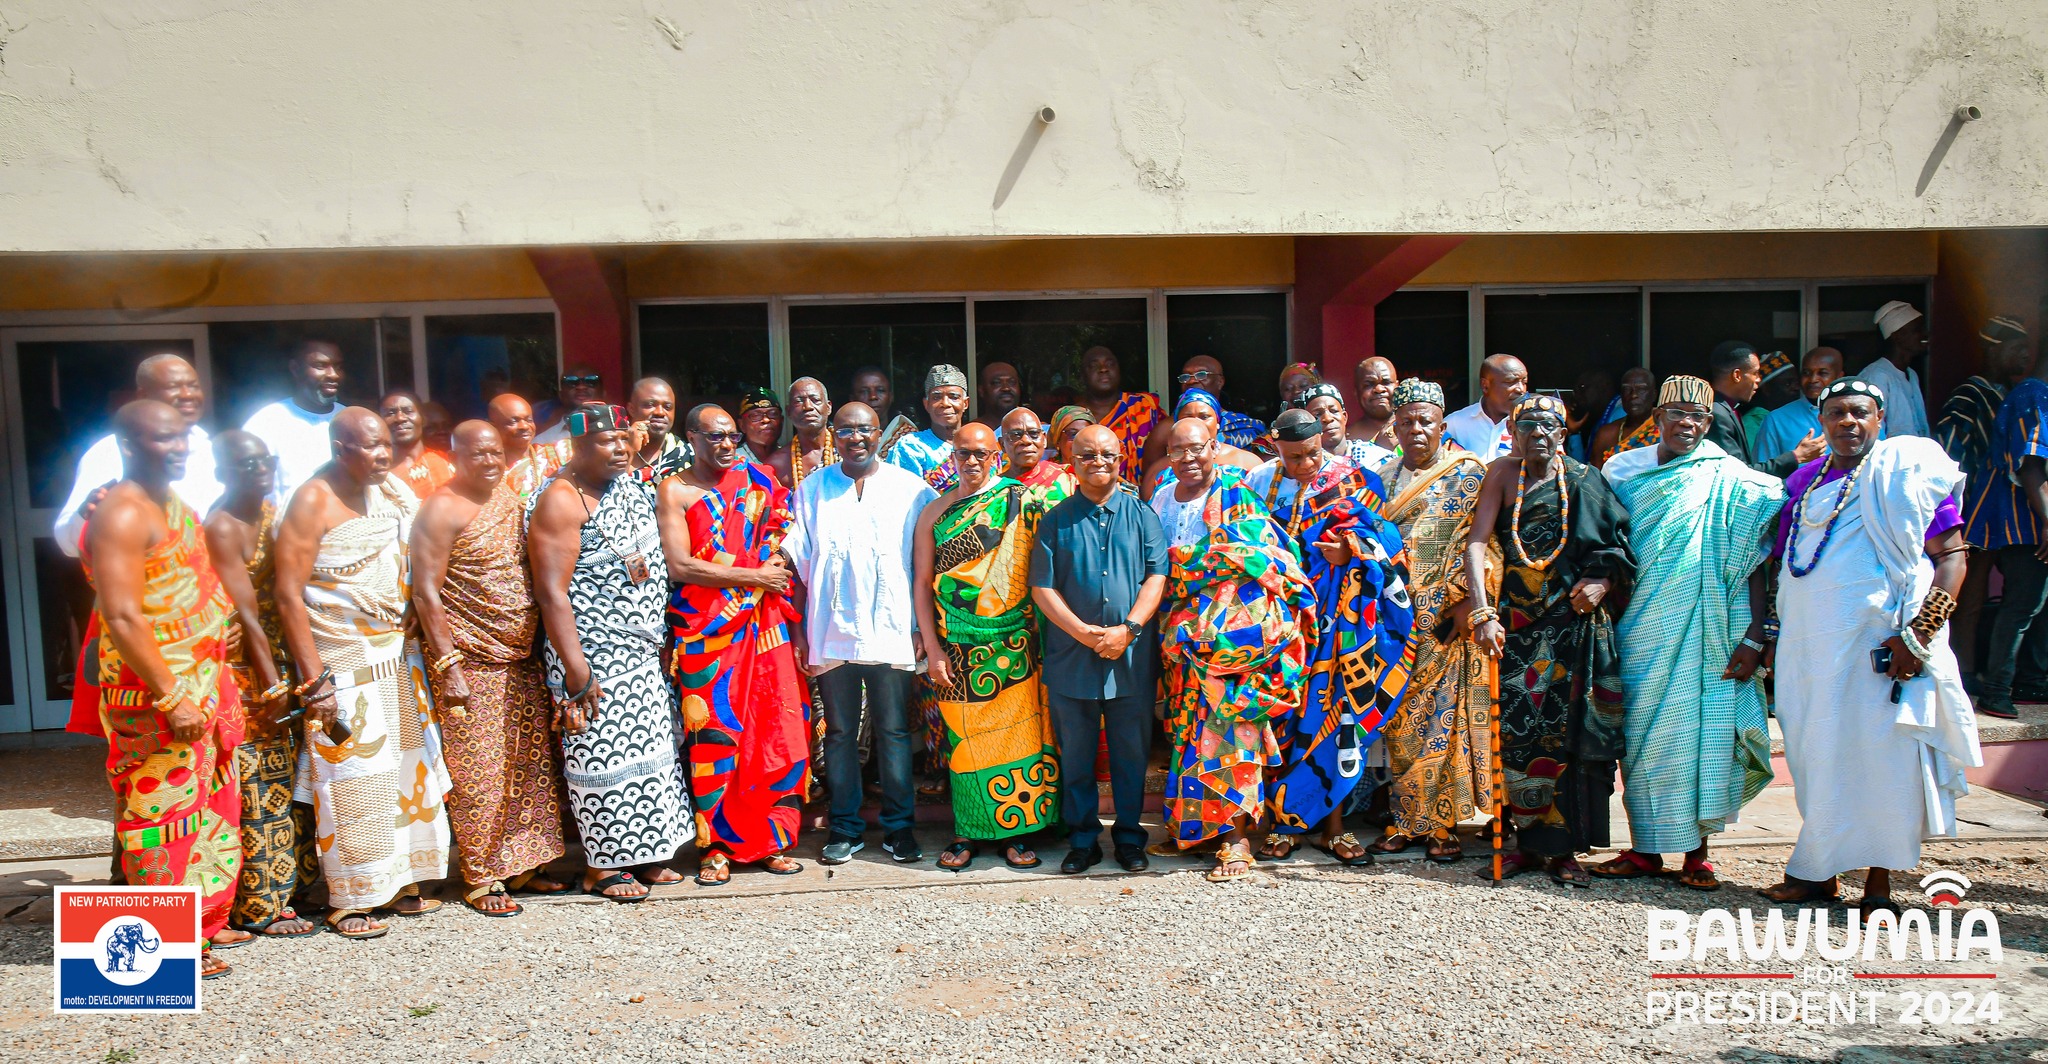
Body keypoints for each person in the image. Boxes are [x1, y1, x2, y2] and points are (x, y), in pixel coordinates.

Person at [1763, 379, 1980, 914]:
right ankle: (1818, 874)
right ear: (1822, 420)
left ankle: (1878, 887)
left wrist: (1919, 634)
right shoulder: (1803, 482)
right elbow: (1784, 561)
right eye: (1836, 413)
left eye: (1859, 413)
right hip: (1808, 650)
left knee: (1881, 761)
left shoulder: (1902, 476)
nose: (1848, 423)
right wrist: (1765, 635)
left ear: (1880, 419)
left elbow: (1952, 557)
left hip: (1882, 650)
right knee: (1817, 757)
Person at [1593, 377, 1783, 890]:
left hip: (1711, 630)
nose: (1687, 424)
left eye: (1697, 417)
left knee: (1703, 734)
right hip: (1640, 627)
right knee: (1642, 740)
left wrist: (1754, 639)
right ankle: (1645, 849)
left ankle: (1697, 853)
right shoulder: (1623, 470)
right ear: (1657, 418)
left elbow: (1756, 565)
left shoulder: (1734, 479)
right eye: (1675, 413)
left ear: (1710, 423)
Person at [78, 401, 248, 977]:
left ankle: (199, 926)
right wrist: (171, 695)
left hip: (201, 681)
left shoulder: (171, 502)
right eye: (162, 440)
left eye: (182, 440)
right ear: (128, 444)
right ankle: (163, 951)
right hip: (157, 692)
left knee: (209, 809)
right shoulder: (123, 514)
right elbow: (123, 616)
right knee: (160, 814)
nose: (178, 449)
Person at [272, 408, 451, 939]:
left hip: (395, 655)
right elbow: (287, 593)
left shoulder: (390, 491)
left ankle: (401, 882)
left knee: (403, 773)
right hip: (341, 659)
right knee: (351, 780)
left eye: (384, 445)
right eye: (368, 446)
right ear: (338, 447)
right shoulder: (312, 500)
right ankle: (351, 898)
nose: (382, 454)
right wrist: (315, 681)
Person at [1462, 394, 1632, 887]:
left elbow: (1615, 547)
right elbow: (1477, 541)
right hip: (1515, 627)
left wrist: (1601, 582)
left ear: (1562, 435)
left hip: (1571, 628)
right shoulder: (1501, 474)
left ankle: (1566, 851)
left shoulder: (1585, 479)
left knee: (1568, 738)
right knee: (1516, 733)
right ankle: (1526, 844)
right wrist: (1483, 612)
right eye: (1527, 428)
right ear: (1512, 434)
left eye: (1547, 428)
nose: (1537, 436)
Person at [528, 403, 694, 901]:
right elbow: (552, 593)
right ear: (576, 446)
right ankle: (604, 866)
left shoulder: (623, 485)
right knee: (602, 760)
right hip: (594, 653)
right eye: (607, 442)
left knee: (649, 753)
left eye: (625, 439)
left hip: (640, 650)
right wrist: (577, 672)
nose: (621, 449)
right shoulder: (562, 500)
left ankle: (645, 855)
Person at [411, 420, 569, 915]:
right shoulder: (441, 508)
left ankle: (523, 865)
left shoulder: (506, 495)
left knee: (527, 767)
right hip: (471, 661)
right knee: (479, 774)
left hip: (519, 659)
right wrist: (449, 664)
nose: (489, 462)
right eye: (477, 454)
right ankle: (481, 875)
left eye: (496, 452)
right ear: (455, 455)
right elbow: (425, 592)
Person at [1151, 418, 1316, 883]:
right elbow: (1156, 564)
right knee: (1188, 732)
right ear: (1168, 457)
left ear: (1214, 447)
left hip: (1234, 638)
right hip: (1183, 636)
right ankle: (1199, 830)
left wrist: (1191, 570)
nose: (1188, 458)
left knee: (1234, 732)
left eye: (1197, 448)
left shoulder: (1236, 492)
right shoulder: (1161, 499)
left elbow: (1259, 556)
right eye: (1177, 451)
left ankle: (1236, 840)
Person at [1249, 410, 1412, 866]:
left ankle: (1336, 829)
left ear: (1323, 439)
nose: (1305, 464)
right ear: (1275, 446)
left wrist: (1353, 551)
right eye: (1294, 456)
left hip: (1342, 625)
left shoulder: (1357, 480)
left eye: (1313, 453)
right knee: (1282, 719)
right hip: (1281, 622)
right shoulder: (1260, 483)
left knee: (1335, 718)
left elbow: (1389, 541)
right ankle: (1284, 823)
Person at [659, 404, 810, 884]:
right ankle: (717, 847)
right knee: (716, 739)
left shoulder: (759, 479)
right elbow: (680, 565)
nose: (726, 445)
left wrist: (769, 572)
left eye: (730, 437)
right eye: (715, 437)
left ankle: (772, 840)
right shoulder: (676, 490)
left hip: (765, 628)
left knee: (773, 730)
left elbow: (783, 535)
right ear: (691, 438)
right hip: (708, 634)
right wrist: (753, 576)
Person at [784, 402, 937, 865]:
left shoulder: (912, 490)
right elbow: (799, 563)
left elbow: (923, 567)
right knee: (841, 732)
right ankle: (845, 828)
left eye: (865, 429)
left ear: (878, 434)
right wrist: (802, 633)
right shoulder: (812, 488)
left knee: (892, 731)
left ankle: (899, 828)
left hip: (891, 628)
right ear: (835, 432)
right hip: (831, 631)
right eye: (846, 429)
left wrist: (918, 629)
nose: (856, 437)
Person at [912, 423, 1062, 871]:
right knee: (966, 743)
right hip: (957, 644)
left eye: (981, 453)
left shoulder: (1023, 501)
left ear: (997, 455)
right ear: (952, 458)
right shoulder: (935, 513)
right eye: (963, 454)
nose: (972, 462)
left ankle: (1019, 831)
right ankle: (968, 830)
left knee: (1020, 740)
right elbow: (922, 583)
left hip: (1016, 641)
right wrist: (934, 650)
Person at [1030, 424, 1168, 874]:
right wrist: (1085, 633)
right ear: (1074, 461)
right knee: (1077, 758)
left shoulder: (1142, 514)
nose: (1098, 463)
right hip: (1072, 660)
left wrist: (1128, 629)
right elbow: (1042, 589)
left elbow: (1156, 576)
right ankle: (1083, 840)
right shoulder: (1055, 520)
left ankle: (1129, 838)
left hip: (1130, 659)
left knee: (1131, 756)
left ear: (1120, 457)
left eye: (1106, 454)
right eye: (1087, 455)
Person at [1368, 380, 1495, 862]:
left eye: (1425, 421)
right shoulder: (1379, 478)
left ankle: (1442, 824)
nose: (1416, 429)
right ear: (1393, 427)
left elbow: (1489, 544)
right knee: (1401, 720)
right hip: (1394, 622)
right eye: (1406, 422)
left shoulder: (1470, 474)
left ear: (1443, 425)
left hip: (1446, 620)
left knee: (1445, 720)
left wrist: (1469, 601)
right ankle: (1407, 820)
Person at [204, 431, 316, 939]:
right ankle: (260, 905)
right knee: (256, 783)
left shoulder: (273, 510)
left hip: (282, 655)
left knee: (293, 775)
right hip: (246, 668)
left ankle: (298, 886)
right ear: (223, 471)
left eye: (264, 460)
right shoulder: (221, 525)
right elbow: (245, 613)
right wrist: (272, 689)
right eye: (246, 464)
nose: (259, 469)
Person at [55, 353, 224, 558]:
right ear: (143, 395)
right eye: (174, 387)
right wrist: (85, 517)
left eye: (194, 386)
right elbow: (67, 543)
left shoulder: (213, 450)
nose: (188, 394)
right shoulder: (110, 451)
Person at [1941, 317, 2033, 685]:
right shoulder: (1970, 394)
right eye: (2016, 347)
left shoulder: (2008, 393)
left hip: (2003, 513)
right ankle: (1963, 673)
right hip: (1975, 512)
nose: (2025, 354)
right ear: (1994, 349)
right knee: (1969, 595)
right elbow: (1950, 452)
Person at [1962, 338, 2048, 720]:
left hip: (2035, 520)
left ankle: (2031, 680)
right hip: (2022, 521)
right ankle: (1996, 691)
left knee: (2037, 604)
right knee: (2022, 604)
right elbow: (2030, 466)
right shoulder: (2034, 394)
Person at [242, 338, 344, 502]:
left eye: (338, 366)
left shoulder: (351, 420)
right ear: (296, 369)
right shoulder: (266, 423)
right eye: (320, 366)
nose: (334, 375)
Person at [1141, 389, 1260, 497]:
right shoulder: (1159, 471)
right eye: (1188, 417)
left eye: (1204, 417)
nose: (1197, 422)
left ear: (1218, 423)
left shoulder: (1246, 462)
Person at [1079, 346, 1166, 483]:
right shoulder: (1073, 419)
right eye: (1094, 365)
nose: (1103, 369)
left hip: (1138, 498)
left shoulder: (1144, 408)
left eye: (1110, 364)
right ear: (1082, 375)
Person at [1752, 348, 1844, 476]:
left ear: (1839, 377)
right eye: (1806, 373)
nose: (1813, 379)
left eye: (1822, 373)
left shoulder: (1855, 417)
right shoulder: (1776, 420)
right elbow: (1762, 475)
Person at [887, 364, 969, 491]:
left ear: (965, 403)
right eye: (937, 397)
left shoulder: (979, 442)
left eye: (953, 397)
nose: (945, 404)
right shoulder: (911, 446)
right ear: (926, 404)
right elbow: (903, 497)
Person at [1857, 301, 1932, 438]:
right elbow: (1872, 432)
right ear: (1897, 336)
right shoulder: (1876, 376)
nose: (1925, 335)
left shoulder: (1912, 375)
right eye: (1917, 330)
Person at [490, 393, 574, 500]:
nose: (524, 426)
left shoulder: (560, 454)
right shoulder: (488, 469)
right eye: (513, 421)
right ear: (493, 426)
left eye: (529, 420)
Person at [1294, 380, 1394, 470]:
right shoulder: (1303, 469)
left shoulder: (1375, 458)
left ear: (1345, 417)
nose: (1328, 418)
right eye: (1318, 414)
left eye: (1333, 411)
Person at [1445, 354, 1529, 460]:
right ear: (1485, 386)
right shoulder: (1455, 424)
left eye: (1524, 382)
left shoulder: (1529, 425)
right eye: (1510, 382)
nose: (1521, 389)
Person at [1175, 355, 1265, 450]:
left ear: (1220, 381)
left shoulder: (1246, 427)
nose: (1191, 381)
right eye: (1185, 376)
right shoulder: (1166, 429)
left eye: (1201, 375)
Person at [382, 391, 454, 499]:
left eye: (408, 411)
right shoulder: (378, 473)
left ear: (423, 420)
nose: (400, 418)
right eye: (390, 413)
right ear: (379, 421)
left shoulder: (448, 463)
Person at [625, 377, 690, 485]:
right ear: (631, 409)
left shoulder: (687, 455)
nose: (660, 412)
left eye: (667, 407)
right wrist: (630, 450)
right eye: (650, 405)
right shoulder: (612, 450)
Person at [997, 407, 1074, 493]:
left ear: (1044, 440)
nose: (1026, 441)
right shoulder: (993, 489)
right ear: (1002, 444)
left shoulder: (1067, 479)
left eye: (1033, 433)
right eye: (1015, 435)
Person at [1593, 367, 1658, 466]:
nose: (1633, 395)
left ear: (1654, 395)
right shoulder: (1606, 434)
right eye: (1627, 389)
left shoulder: (1665, 430)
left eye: (1641, 389)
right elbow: (1594, 478)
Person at [532, 365, 605, 444]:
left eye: (591, 381)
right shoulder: (542, 443)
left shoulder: (619, 431)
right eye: (572, 382)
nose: (581, 387)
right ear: (561, 395)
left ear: (603, 394)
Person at [737, 387, 793, 486]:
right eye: (756, 416)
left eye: (773, 414)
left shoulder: (790, 459)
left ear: (782, 421)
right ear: (742, 425)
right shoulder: (732, 461)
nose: (766, 420)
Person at [786, 376, 836, 487]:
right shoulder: (778, 465)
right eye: (798, 401)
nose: (808, 407)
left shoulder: (847, 451)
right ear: (788, 411)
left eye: (815, 400)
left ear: (828, 407)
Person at [1742, 352, 1800, 444]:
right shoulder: (1752, 423)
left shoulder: (1795, 416)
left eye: (1797, 382)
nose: (1796, 388)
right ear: (1767, 389)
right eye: (1787, 383)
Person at [1347, 357, 1401, 453]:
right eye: (1368, 385)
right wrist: (1379, 451)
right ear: (1356, 392)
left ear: (1397, 386)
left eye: (1386, 383)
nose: (1379, 389)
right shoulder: (1347, 441)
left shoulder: (1416, 430)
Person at [1565, 368, 1618, 463]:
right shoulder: (1599, 417)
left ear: (1603, 386)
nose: (1577, 394)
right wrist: (1574, 432)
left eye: (1582, 387)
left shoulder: (1621, 412)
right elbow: (1581, 467)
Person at [978, 360, 1026, 429]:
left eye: (1012, 382)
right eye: (997, 383)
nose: (1006, 388)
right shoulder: (970, 433)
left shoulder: (1038, 430)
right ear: (981, 391)